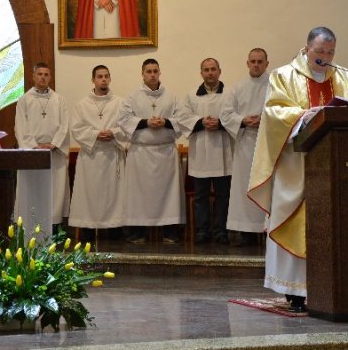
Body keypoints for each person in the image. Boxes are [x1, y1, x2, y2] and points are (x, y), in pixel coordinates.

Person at [247, 27, 348, 312]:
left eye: (330, 52)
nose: (325, 57)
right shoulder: (284, 75)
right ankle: (295, 290)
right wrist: (303, 116)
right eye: (320, 51)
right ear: (307, 48)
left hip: (333, 166)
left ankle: (330, 286)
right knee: (296, 223)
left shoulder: (343, 76)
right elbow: (273, 112)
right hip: (296, 167)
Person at [118, 59, 183, 243]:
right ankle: (137, 232)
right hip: (141, 153)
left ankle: (170, 232)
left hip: (165, 153)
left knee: (169, 195)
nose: (152, 75)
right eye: (149, 71)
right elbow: (123, 120)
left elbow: (182, 119)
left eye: (155, 71)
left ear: (160, 73)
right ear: (142, 74)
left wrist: (166, 122)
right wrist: (146, 122)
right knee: (138, 196)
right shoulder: (132, 97)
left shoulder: (171, 97)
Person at [177, 58, 233, 245]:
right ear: (201, 73)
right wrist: (201, 122)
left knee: (223, 195)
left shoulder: (230, 94)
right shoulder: (191, 95)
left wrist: (221, 124)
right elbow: (182, 117)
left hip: (223, 151)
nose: (210, 73)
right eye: (206, 70)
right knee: (200, 196)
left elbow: (235, 116)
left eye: (213, 69)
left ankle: (221, 231)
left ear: (219, 71)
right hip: (200, 152)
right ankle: (202, 231)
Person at [68, 65, 126, 238]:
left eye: (106, 76)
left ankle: (115, 230)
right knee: (90, 195)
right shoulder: (82, 105)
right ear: (93, 80)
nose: (103, 79)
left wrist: (113, 133)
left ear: (110, 79)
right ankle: (88, 230)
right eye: (100, 76)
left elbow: (127, 126)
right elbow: (76, 129)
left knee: (114, 195)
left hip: (112, 155)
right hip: (91, 157)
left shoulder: (121, 103)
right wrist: (95, 135)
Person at [220, 48, 270, 247]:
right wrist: (242, 120)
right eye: (253, 61)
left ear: (267, 64)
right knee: (245, 188)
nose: (256, 65)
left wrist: (264, 119)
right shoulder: (238, 87)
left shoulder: (275, 86)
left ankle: (268, 230)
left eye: (260, 61)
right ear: (247, 63)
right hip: (245, 144)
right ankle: (246, 232)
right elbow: (226, 114)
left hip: (267, 143)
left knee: (266, 186)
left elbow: (283, 111)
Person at [14, 62, 71, 232]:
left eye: (46, 74)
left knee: (54, 191)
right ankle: (31, 226)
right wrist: (34, 146)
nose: (43, 77)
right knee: (33, 190)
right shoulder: (24, 100)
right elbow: (20, 126)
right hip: (33, 154)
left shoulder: (59, 100)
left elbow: (65, 125)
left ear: (50, 77)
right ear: (33, 77)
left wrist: (54, 144)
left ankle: (54, 226)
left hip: (54, 153)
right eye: (40, 74)